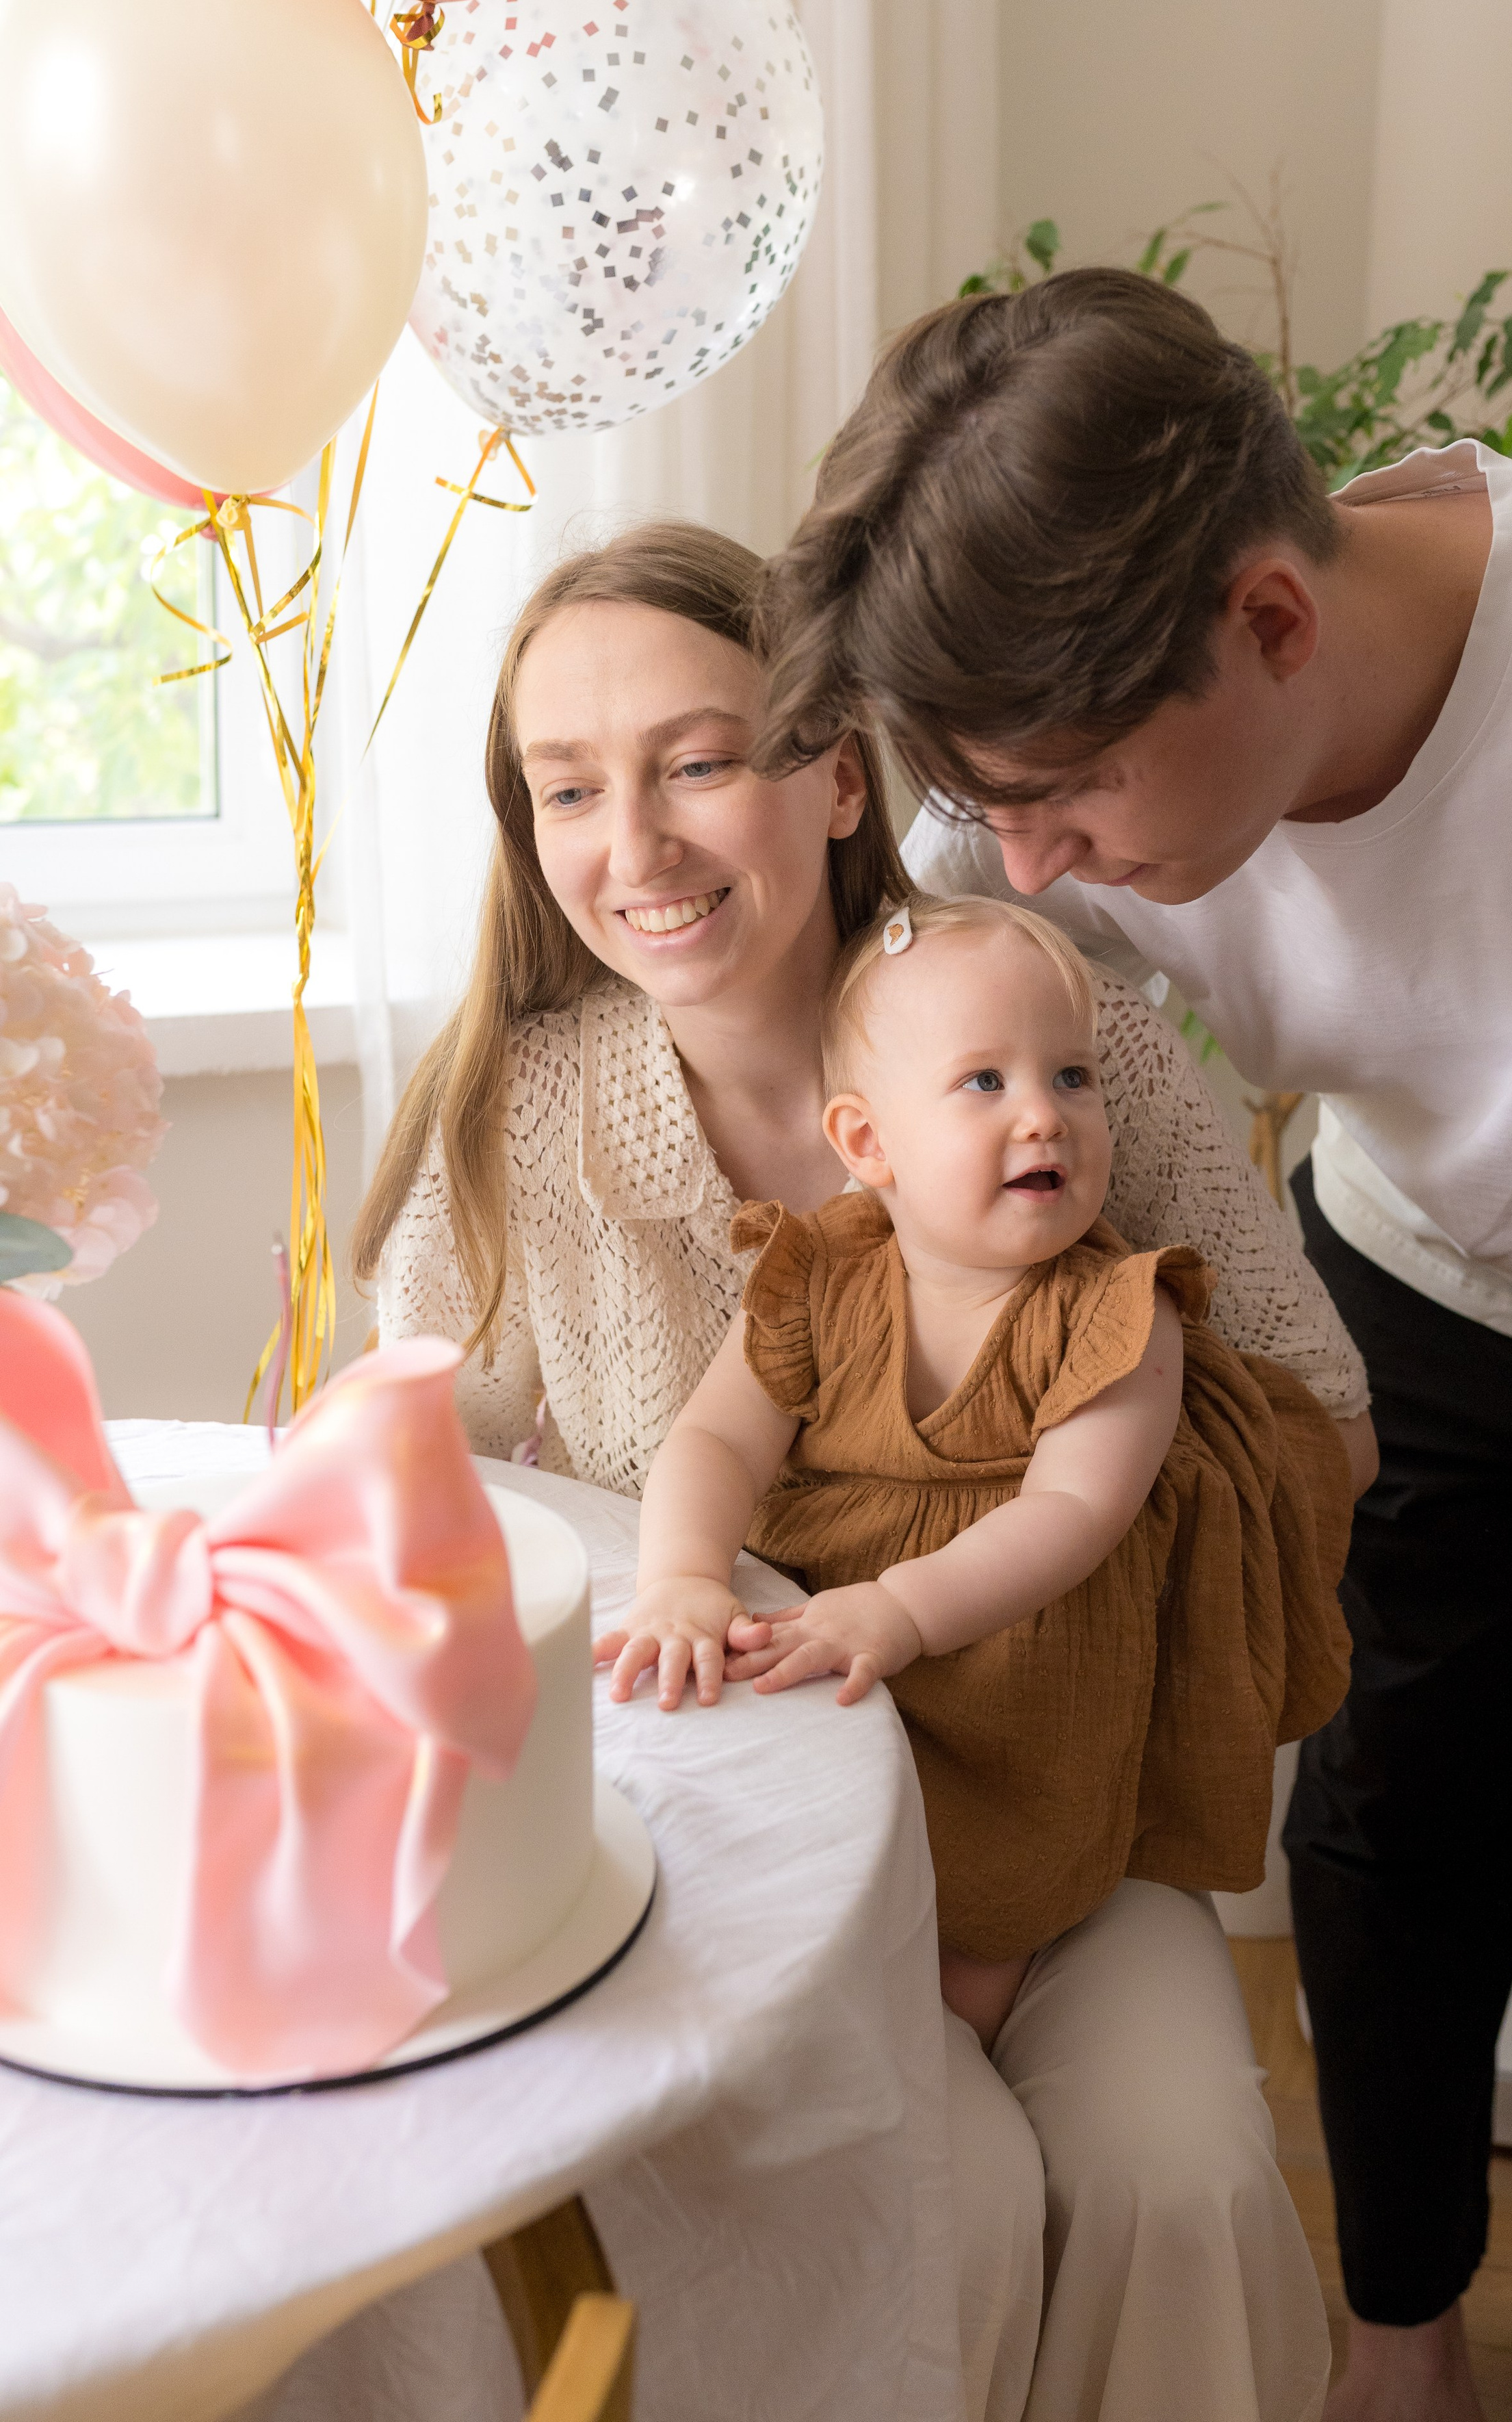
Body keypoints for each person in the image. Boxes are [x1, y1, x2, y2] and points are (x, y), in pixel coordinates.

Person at [753, 263, 1512, 2422]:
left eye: (1072, 801)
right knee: (1393, 1797)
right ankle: (1402, 2332)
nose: (1029, 865)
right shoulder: (1050, 753)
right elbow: (865, 971)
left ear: (1274, 626)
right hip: (1428, 1268)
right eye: (992, 803)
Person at [356, 520, 1373, 2422]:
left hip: (1068, 1796)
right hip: (743, 1839)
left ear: (835, 770)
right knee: (947, 2195)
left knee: (1181, 2173)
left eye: (696, 760)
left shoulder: (1063, 1049)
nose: (632, 850)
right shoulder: (528, 1118)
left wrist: (1088, 1465)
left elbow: (1322, 1408)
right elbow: (409, 1478)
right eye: (568, 789)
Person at [597, 894, 1353, 2052]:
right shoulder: (820, 1277)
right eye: (985, 1084)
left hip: (1015, 1685)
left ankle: (973, 2030)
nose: (1045, 1116)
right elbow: (714, 1440)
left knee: (961, 1968)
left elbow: (1076, 1510)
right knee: (761, 1889)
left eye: (1073, 1077)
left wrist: (902, 1609)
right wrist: (684, 1577)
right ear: (867, 1144)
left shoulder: (1117, 1312)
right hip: (837, 1661)